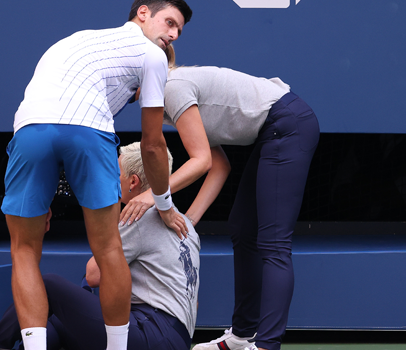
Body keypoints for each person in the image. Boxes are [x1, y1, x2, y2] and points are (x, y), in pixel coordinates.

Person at [0, 1, 192, 350]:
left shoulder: (74, 41)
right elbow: (152, 146)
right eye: (170, 22)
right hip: (89, 134)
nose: (174, 34)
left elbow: (54, 121)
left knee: (24, 251)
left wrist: (42, 194)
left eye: (179, 30)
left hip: (28, 132)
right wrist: (162, 202)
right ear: (143, 12)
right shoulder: (152, 57)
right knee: (108, 248)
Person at [120, 45, 320, 350]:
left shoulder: (172, 88)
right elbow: (219, 164)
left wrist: (153, 197)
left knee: (274, 243)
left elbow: (201, 162)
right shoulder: (165, 96)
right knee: (242, 226)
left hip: (287, 124)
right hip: (275, 130)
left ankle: (266, 345)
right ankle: (242, 336)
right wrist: (188, 221)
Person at [0, 142, 199, 350]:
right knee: (50, 326)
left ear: (133, 182)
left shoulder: (139, 215)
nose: (111, 177)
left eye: (115, 172)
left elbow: (93, 274)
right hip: (174, 338)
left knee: (47, 286)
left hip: (150, 332)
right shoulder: (185, 223)